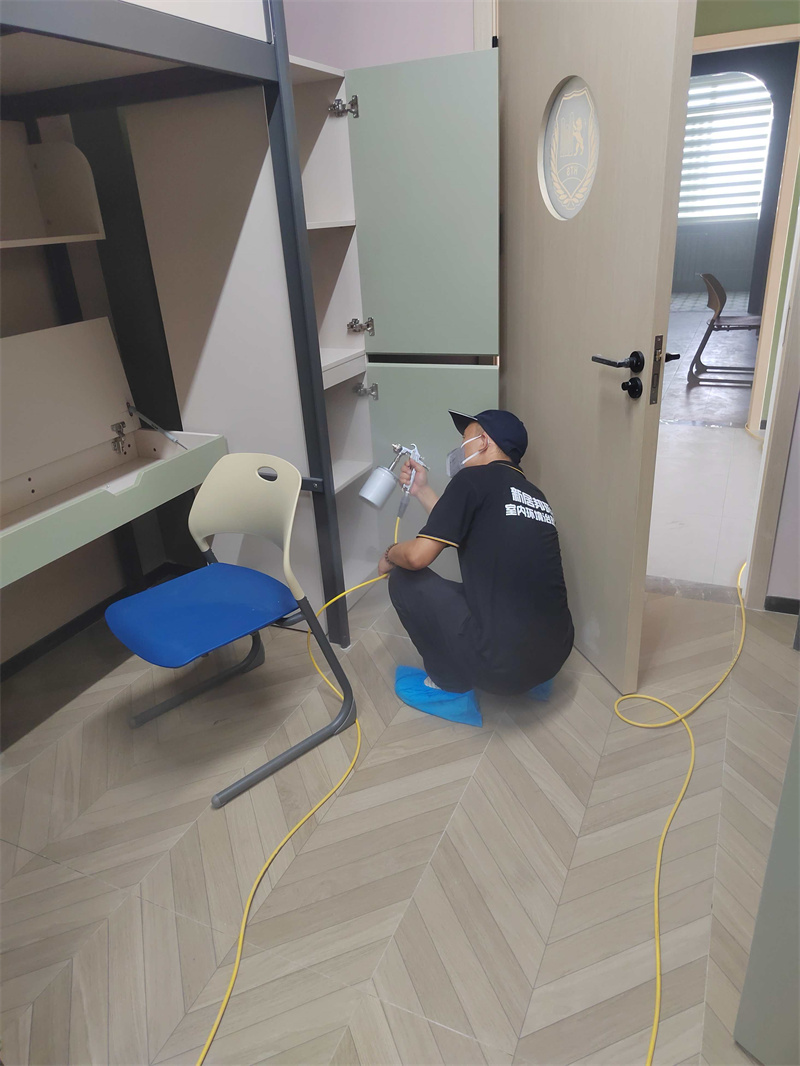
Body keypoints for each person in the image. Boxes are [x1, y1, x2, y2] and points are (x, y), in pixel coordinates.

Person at [378, 408, 574, 726]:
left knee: (404, 580)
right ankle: (533, 682)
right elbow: (461, 523)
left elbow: (416, 557)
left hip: (502, 670)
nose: (461, 447)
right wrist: (421, 490)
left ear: (483, 442)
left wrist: (390, 554)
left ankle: (448, 687)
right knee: (502, 592)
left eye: (466, 438)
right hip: (553, 657)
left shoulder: (472, 480)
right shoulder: (534, 495)